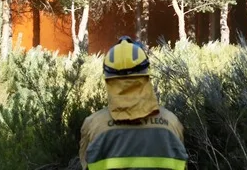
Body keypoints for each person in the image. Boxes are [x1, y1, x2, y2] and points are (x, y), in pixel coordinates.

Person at [79, 35, 189, 170]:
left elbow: (85, 164)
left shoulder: (93, 125)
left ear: (107, 78)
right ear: (147, 74)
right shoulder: (171, 123)